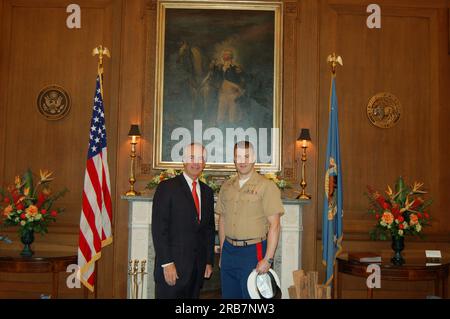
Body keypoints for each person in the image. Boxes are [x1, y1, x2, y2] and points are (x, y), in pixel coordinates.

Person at [216, 141, 284, 299]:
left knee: (252, 299)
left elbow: (275, 225)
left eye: (246, 156)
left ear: (254, 159)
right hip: (229, 252)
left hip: (253, 252)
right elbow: (222, 220)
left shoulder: (267, 186)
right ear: (234, 160)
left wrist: (268, 259)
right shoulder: (226, 186)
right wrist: (222, 253)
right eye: (238, 157)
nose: (243, 161)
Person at [152, 143, 216, 299]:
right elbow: (159, 229)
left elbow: (208, 229)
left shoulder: (207, 192)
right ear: (184, 161)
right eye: (192, 157)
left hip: (196, 270)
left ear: (204, 163)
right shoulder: (167, 187)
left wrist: (208, 261)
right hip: (172, 270)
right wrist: (167, 263)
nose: (196, 162)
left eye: (200, 158)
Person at [211, 49, 245, 123]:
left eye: (227, 54)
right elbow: (215, 77)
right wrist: (213, 67)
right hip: (223, 93)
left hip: (233, 93)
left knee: (233, 115)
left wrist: (239, 90)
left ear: (231, 56)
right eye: (224, 54)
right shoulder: (219, 67)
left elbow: (241, 79)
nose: (225, 56)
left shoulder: (236, 67)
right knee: (221, 114)